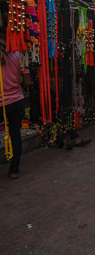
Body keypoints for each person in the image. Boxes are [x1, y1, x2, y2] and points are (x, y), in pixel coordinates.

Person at [0, 30, 31, 179]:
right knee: (15, 135)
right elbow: (27, 82)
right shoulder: (18, 55)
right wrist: (17, 86)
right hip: (17, 101)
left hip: (1, 104)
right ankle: (14, 170)